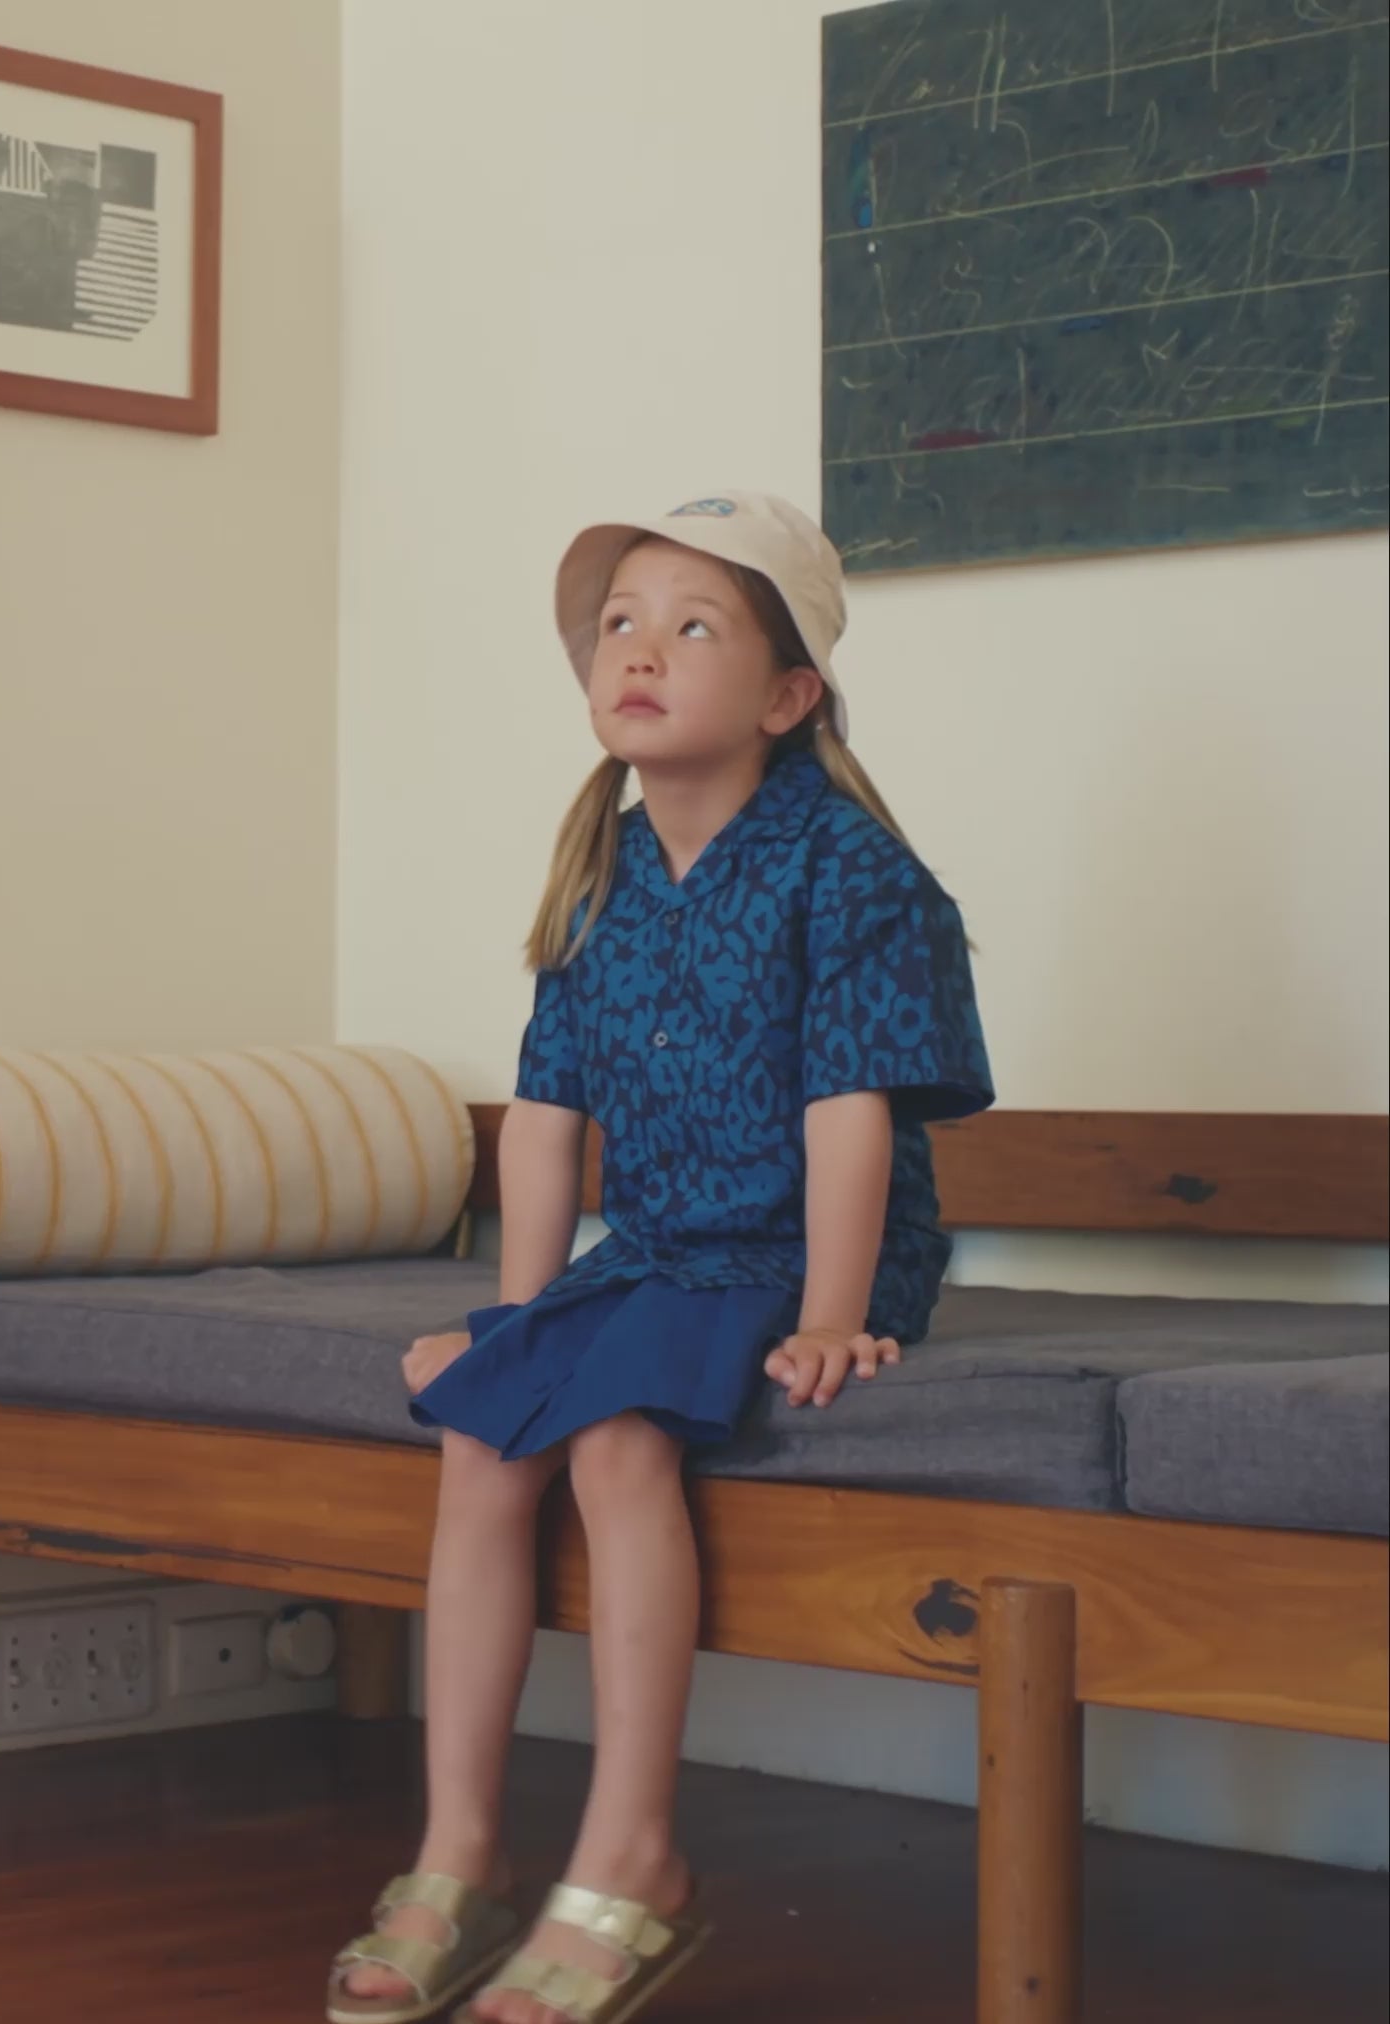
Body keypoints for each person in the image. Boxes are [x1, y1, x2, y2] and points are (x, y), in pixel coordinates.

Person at [327, 492, 993, 2024]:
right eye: (621, 622)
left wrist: (832, 1314)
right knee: (485, 1438)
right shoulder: (602, 873)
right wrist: (514, 1319)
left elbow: (849, 1114)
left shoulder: (848, 866)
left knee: (621, 1439)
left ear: (786, 695)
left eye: (694, 626)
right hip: (663, 1249)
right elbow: (546, 1123)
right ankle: (460, 1853)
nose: (639, 650)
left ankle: (633, 1861)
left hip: (805, 1249)